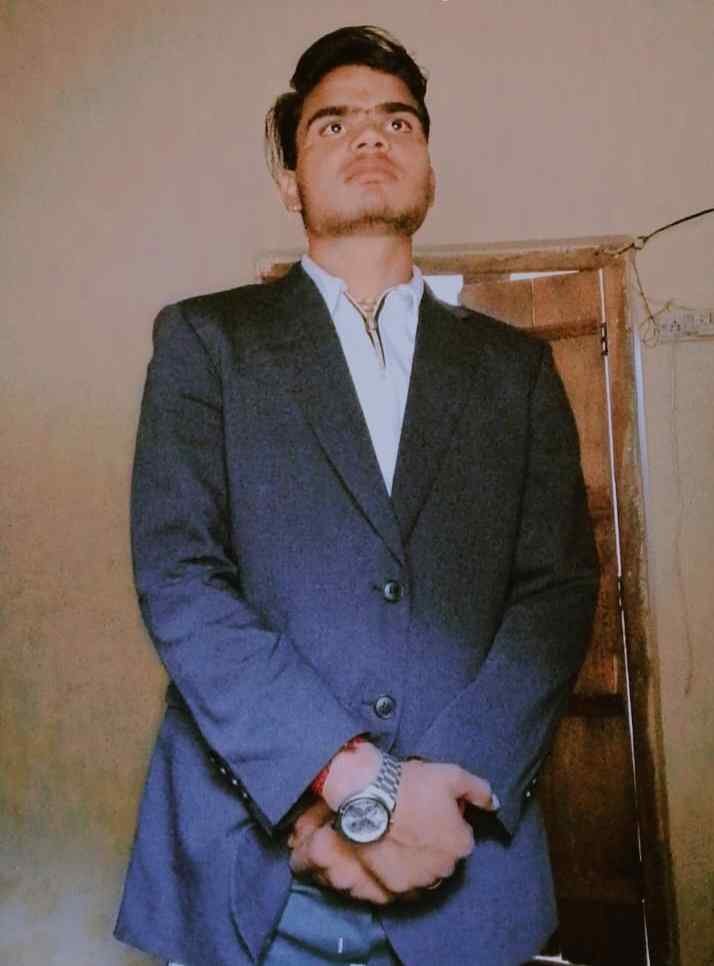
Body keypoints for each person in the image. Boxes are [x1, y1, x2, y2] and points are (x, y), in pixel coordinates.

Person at [115, 25, 599, 966]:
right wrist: (345, 781)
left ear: (429, 169)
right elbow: (179, 575)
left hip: (467, 870)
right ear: (289, 181)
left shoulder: (518, 371)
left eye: (398, 121)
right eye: (332, 125)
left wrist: (438, 797)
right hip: (253, 867)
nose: (371, 135)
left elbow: (557, 592)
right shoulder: (205, 342)